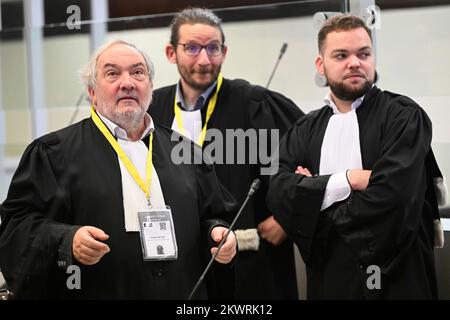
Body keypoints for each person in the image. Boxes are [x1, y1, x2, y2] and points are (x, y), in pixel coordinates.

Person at [0, 39, 238, 299]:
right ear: (92, 92)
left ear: (150, 87)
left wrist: (217, 234)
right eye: (112, 73)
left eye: (138, 72)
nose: (128, 83)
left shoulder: (187, 152)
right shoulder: (53, 153)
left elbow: (213, 215)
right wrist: (67, 239)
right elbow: (16, 229)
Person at [267, 14, 444, 299]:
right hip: (329, 280)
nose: (355, 63)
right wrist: (347, 180)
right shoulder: (304, 129)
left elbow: (394, 198)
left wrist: (315, 195)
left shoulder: (404, 117)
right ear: (320, 65)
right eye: (341, 55)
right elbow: (278, 192)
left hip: (396, 278)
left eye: (363, 54)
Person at [149, 8, 304, 299]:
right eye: (192, 48)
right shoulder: (152, 109)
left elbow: (306, 160)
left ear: (225, 51)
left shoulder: (255, 104)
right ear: (171, 52)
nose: (204, 59)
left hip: (251, 263)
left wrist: (287, 218)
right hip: (179, 259)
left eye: (213, 48)